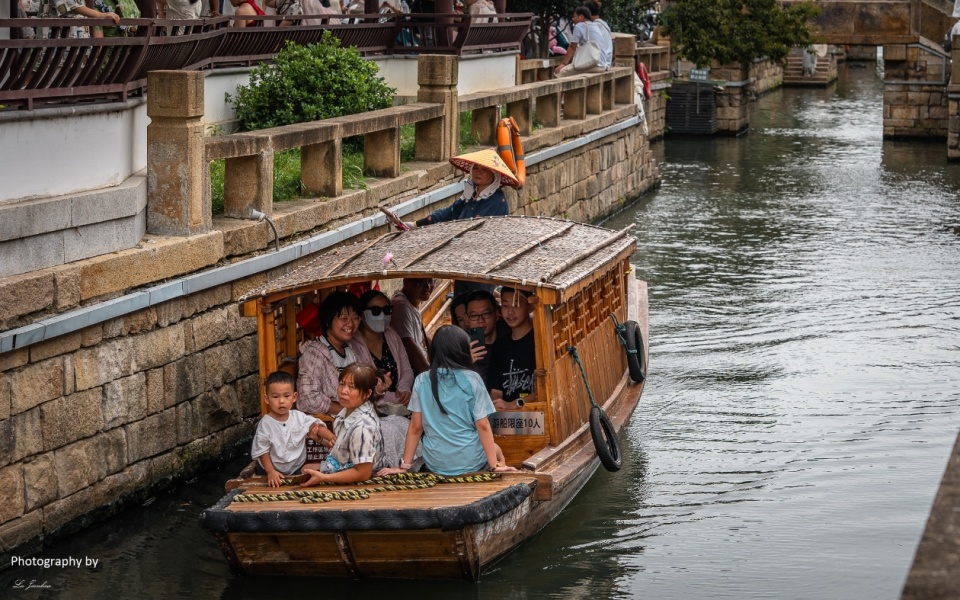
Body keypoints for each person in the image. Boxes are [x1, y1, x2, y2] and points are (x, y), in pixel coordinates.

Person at [378, 326, 515, 476]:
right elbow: (483, 425)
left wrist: (404, 467)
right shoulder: (472, 379)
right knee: (497, 450)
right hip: (470, 461)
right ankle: (496, 469)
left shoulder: (422, 380)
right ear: (463, 350)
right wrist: (494, 464)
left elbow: (415, 427)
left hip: (436, 463)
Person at [298, 291, 390, 415]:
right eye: (344, 318)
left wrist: (378, 389)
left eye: (355, 318)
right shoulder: (314, 354)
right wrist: (348, 413)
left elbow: (360, 389)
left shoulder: (349, 349)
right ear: (328, 321)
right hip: (334, 425)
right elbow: (308, 398)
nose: (351, 324)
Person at [300, 364, 384, 486]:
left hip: (361, 481)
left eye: (352, 387)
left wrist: (324, 478)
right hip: (342, 465)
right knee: (305, 469)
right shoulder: (347, 411)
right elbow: (342, 447)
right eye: (342, 384)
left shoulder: (363, 427)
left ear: (367, 393)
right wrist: (320, 439)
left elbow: (363, 473)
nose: (344, 391)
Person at [250, 371, 327, 487]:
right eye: (275, 397)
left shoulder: (299, 417)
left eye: (286, 396)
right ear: (267, 399)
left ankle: (333, 467)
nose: (281, 401)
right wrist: (270, 471)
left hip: (296, 466)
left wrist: (331, 437)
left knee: (308, 470)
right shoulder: (265, 423)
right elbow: (262, 450)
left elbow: (315, 426)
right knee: (271, 481)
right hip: (272, 467)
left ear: (294, 397)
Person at [408, 149, 519, 228]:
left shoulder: (497, 201)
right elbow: (448, 213)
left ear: (494, 174)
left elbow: (476, 228)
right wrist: (416, 224)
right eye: (475, 168)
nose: (478, 172)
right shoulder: (471, 195)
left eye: (484, 170)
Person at [352, 290, 414, 406]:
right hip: (374, 410)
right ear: (362, 314)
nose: (382, 315)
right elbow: (362, 387)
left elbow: (407, 370)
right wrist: (395, 399)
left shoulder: (392, 334)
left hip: (402, 405)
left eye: (386, 310)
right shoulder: (353, 344)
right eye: (375, 311)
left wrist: (404, 390)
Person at [489, 287, 542, 410]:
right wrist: (497, 403)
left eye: (516, 305)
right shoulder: (499, 346)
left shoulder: (540, 341)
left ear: (530, 307)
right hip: (508, 418)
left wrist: (513, 404)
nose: (510, 312)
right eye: (505, 305)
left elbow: (545, 390)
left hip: (537, 413)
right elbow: (496, 390)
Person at [390, 278, 435, 375]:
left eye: (430, 281)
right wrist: (429, 375)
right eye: (420, 282)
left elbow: (422, 335)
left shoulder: (412, 301)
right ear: (406, 282)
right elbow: (409, 347)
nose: (427, 286)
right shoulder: (401, 306)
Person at [463, 289, 505, 388]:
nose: (480, 320)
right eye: (474, 315)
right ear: (467, 319)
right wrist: (464, 364)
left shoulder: (511, 337)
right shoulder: (461, 347)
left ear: (496, 314)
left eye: (486, 314)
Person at [555, 6, 613, 78]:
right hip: (603, 65)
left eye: (574, 16)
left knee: (559, 72)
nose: (573, 19)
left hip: (594, 65)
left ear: (581, 16)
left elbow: (572, 47)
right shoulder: (595, 25)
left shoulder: (579, 26)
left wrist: (564, 63)